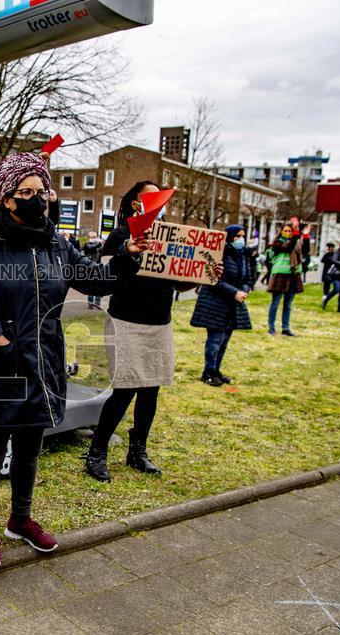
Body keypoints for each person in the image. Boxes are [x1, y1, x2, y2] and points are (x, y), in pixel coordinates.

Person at [0, 153, 147, 567]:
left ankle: (20, 519)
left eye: (42, 190)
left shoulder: (55, 242)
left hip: (43, 360)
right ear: (7, 198)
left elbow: (95, 279)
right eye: (26, 192)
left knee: (29, 446)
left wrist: (127, 254)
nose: (37, 198)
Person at [83, 181, 200, 484]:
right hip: (126, 322)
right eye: (150, 197)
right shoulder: (121, 235)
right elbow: (106, 274)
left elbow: (179, 282)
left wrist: (202, 275)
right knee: (125, 390)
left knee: (151, 390)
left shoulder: (170, 237)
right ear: (135, 204)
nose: (158, 203)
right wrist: (128, 252)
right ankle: (97, 452)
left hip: (159, 322)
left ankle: (138, 451)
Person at [190, 224, 252, 386]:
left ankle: (216, 370)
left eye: (243, 236)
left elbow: (248, 277)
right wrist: (234, 292)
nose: (241, 239)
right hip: (215, 303)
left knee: (224, 341)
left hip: (232, 304)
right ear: (229, 236)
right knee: (215, 340)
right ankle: (208, 373)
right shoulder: (218, 253)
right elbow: (213, 279)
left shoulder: (243, 255)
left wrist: (243, 291)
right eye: (237, 236)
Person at [266, 220, 306, 336]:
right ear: (281, 232)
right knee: (275, 303)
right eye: (286, 231)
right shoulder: (277, 243)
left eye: (290, 231)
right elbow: (288, 247)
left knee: (288, 304)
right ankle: (271, 327)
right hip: (280, 274)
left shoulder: (296, 242)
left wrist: (305, 236)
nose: (288, 233)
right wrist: (297, 235)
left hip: (293, 274)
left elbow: (303, 250)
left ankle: (285, 327)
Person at [322, 238, 340, 312]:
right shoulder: (338, 252)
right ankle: (326, 300)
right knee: (337, 289)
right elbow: (334, 260)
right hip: (337, 273)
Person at [82, 230, 103, 309]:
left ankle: (97, 303)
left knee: (99, 284)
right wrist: (99, 243)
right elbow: (90, 248)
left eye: (95, 237)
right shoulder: (87, 244)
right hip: (90, 266)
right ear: (89, 237)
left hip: (98, 265)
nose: (94, 238)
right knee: (91, 284)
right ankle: (90, 303)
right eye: (92, 237)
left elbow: (102, 252)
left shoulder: (99, 245)